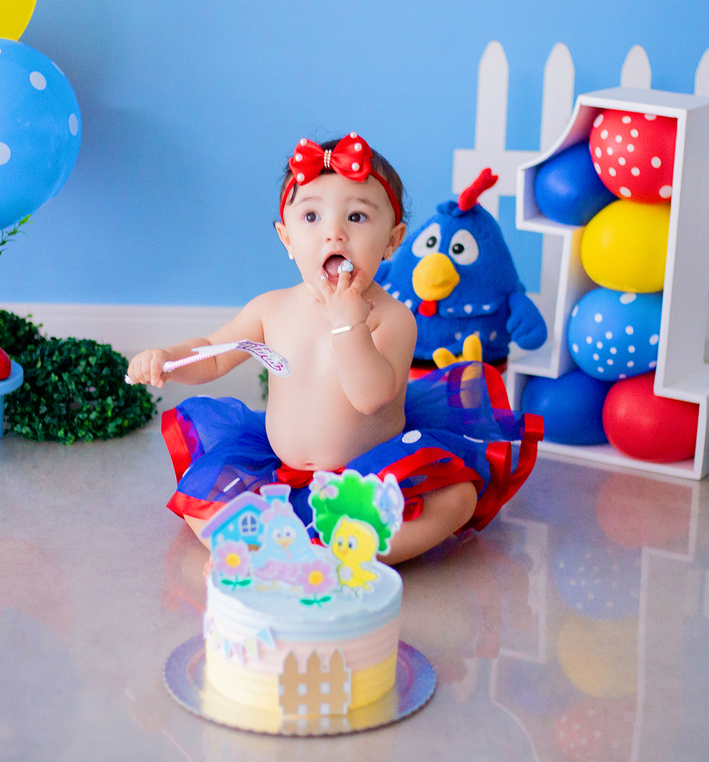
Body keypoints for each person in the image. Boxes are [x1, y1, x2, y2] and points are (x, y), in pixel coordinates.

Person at [128, 133, 539, 564]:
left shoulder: (391, 317)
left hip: (374, 472)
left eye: (357, 216)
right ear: (287, 239)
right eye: (311, 217)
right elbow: (213, 353)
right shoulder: (271, 308)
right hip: (277, 468)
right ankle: (264, 549)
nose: (334, 233)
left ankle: (348, 554)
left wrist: (349, 324)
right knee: (201, 496)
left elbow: (370, 397)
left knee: (457, 498)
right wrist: (169, 359)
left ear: (392, 240)